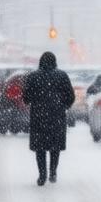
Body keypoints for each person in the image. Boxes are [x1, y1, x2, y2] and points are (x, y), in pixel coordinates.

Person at [22, 51, 75, 186]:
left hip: (38, 117)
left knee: (40, 148)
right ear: (54, 62)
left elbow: (26, 98)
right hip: (57, 116)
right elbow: (70, 96)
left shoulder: (33, 77)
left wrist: (35, 101)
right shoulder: (62, 76)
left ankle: (42, 175)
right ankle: (53, 171)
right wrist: (64, 106)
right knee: (55, 147)